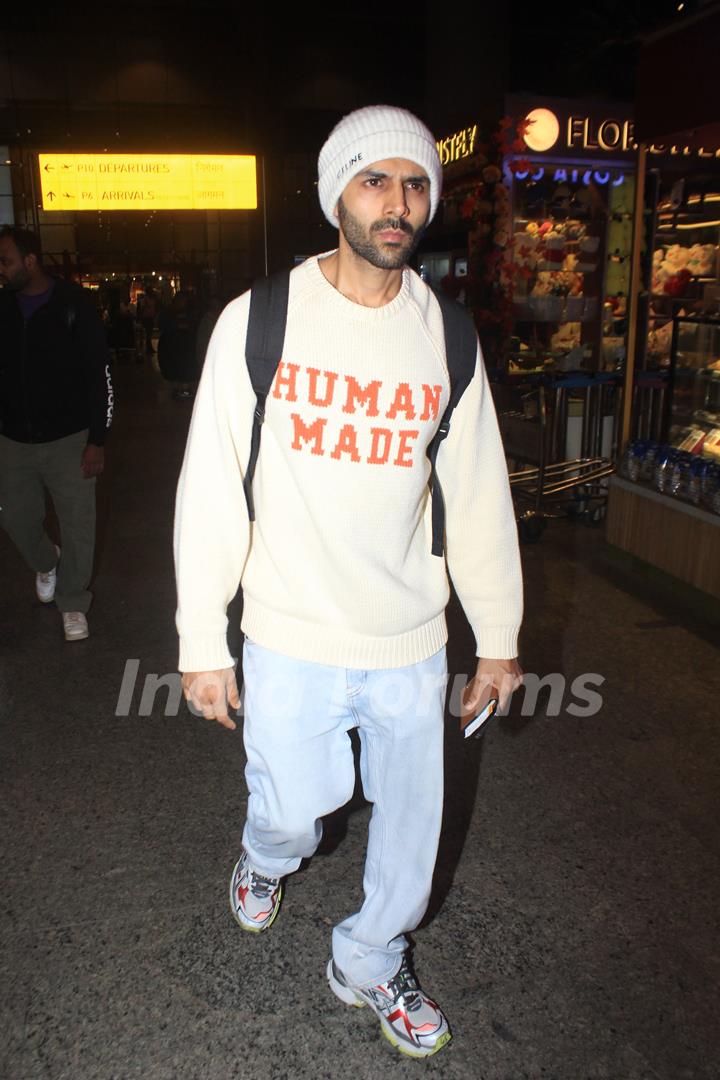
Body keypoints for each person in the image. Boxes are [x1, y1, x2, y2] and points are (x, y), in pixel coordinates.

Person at [174, 105, 523, 1058]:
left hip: (411, 633)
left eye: (415, 185)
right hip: (288, 626)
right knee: (293, 806)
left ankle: (370, 958)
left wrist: (497, 636)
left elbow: (478, 493)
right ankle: (263, 857)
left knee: (414, 826)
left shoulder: (447, 339)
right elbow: (211, 484)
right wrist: (201, 642)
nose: (398, 202)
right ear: (338, 194)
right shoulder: (263, 320)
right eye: (376, 181)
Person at [0, 226, 113, 641]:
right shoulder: (4, 308)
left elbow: (99, 376)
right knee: (14, 516)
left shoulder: (73, 304)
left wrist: (96, 439)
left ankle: (73, 601)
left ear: (30, 261)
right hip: (13, 439)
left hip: (69, 438)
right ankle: (47, 560)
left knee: (80, 524)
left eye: (6, 260)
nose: (2, 269)